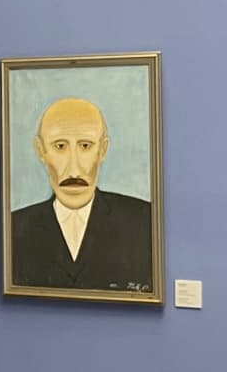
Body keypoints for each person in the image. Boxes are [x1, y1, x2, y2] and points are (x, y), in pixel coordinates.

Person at [9, 96, 153, 292]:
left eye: (85, 146)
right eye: (60, 146)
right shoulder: (14, 228)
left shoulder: (145, 221)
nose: (74, 170)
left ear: (103, 150)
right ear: (41, 150)